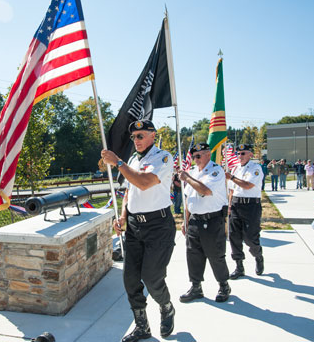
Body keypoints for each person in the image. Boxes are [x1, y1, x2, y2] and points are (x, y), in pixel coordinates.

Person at [101, 119, 176, 342]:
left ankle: (166, 306)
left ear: (153, 135)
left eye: (141, 136)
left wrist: (118, 162)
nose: (136, 140)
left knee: (152, 278)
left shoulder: (162, 157)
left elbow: (144, 182)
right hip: (134, 226)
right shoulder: (133, 159)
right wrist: (123, 216)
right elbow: (129, 191)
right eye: (134, 137)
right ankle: (142, 326)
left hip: (158, 226)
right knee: (131, 279)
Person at [177, 142, 231, 304]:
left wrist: (187, 178)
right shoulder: (193, 171)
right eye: (193, 157)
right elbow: (188, 198)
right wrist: (185, 221)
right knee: (193, 255)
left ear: (208, 154)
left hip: (212, 219)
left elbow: (205, 190)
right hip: (195, 220)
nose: (195, 159)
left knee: (215, 255)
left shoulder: (216, 170)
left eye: (198, 156)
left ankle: (223, 285)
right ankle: (196, 287)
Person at [225, 144, 264, 279]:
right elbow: (232, 190)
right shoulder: (235, 168)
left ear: (250, 155)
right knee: (233, 237)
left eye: (243, 153)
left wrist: (232, 178)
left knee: (250, 238)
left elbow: (248, 185)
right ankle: (239, 266)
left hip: (251, 206)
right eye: (238, 153)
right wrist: (229, 206)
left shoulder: (255, 168)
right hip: (236, 204)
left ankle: (258, 256)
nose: (239, 156)